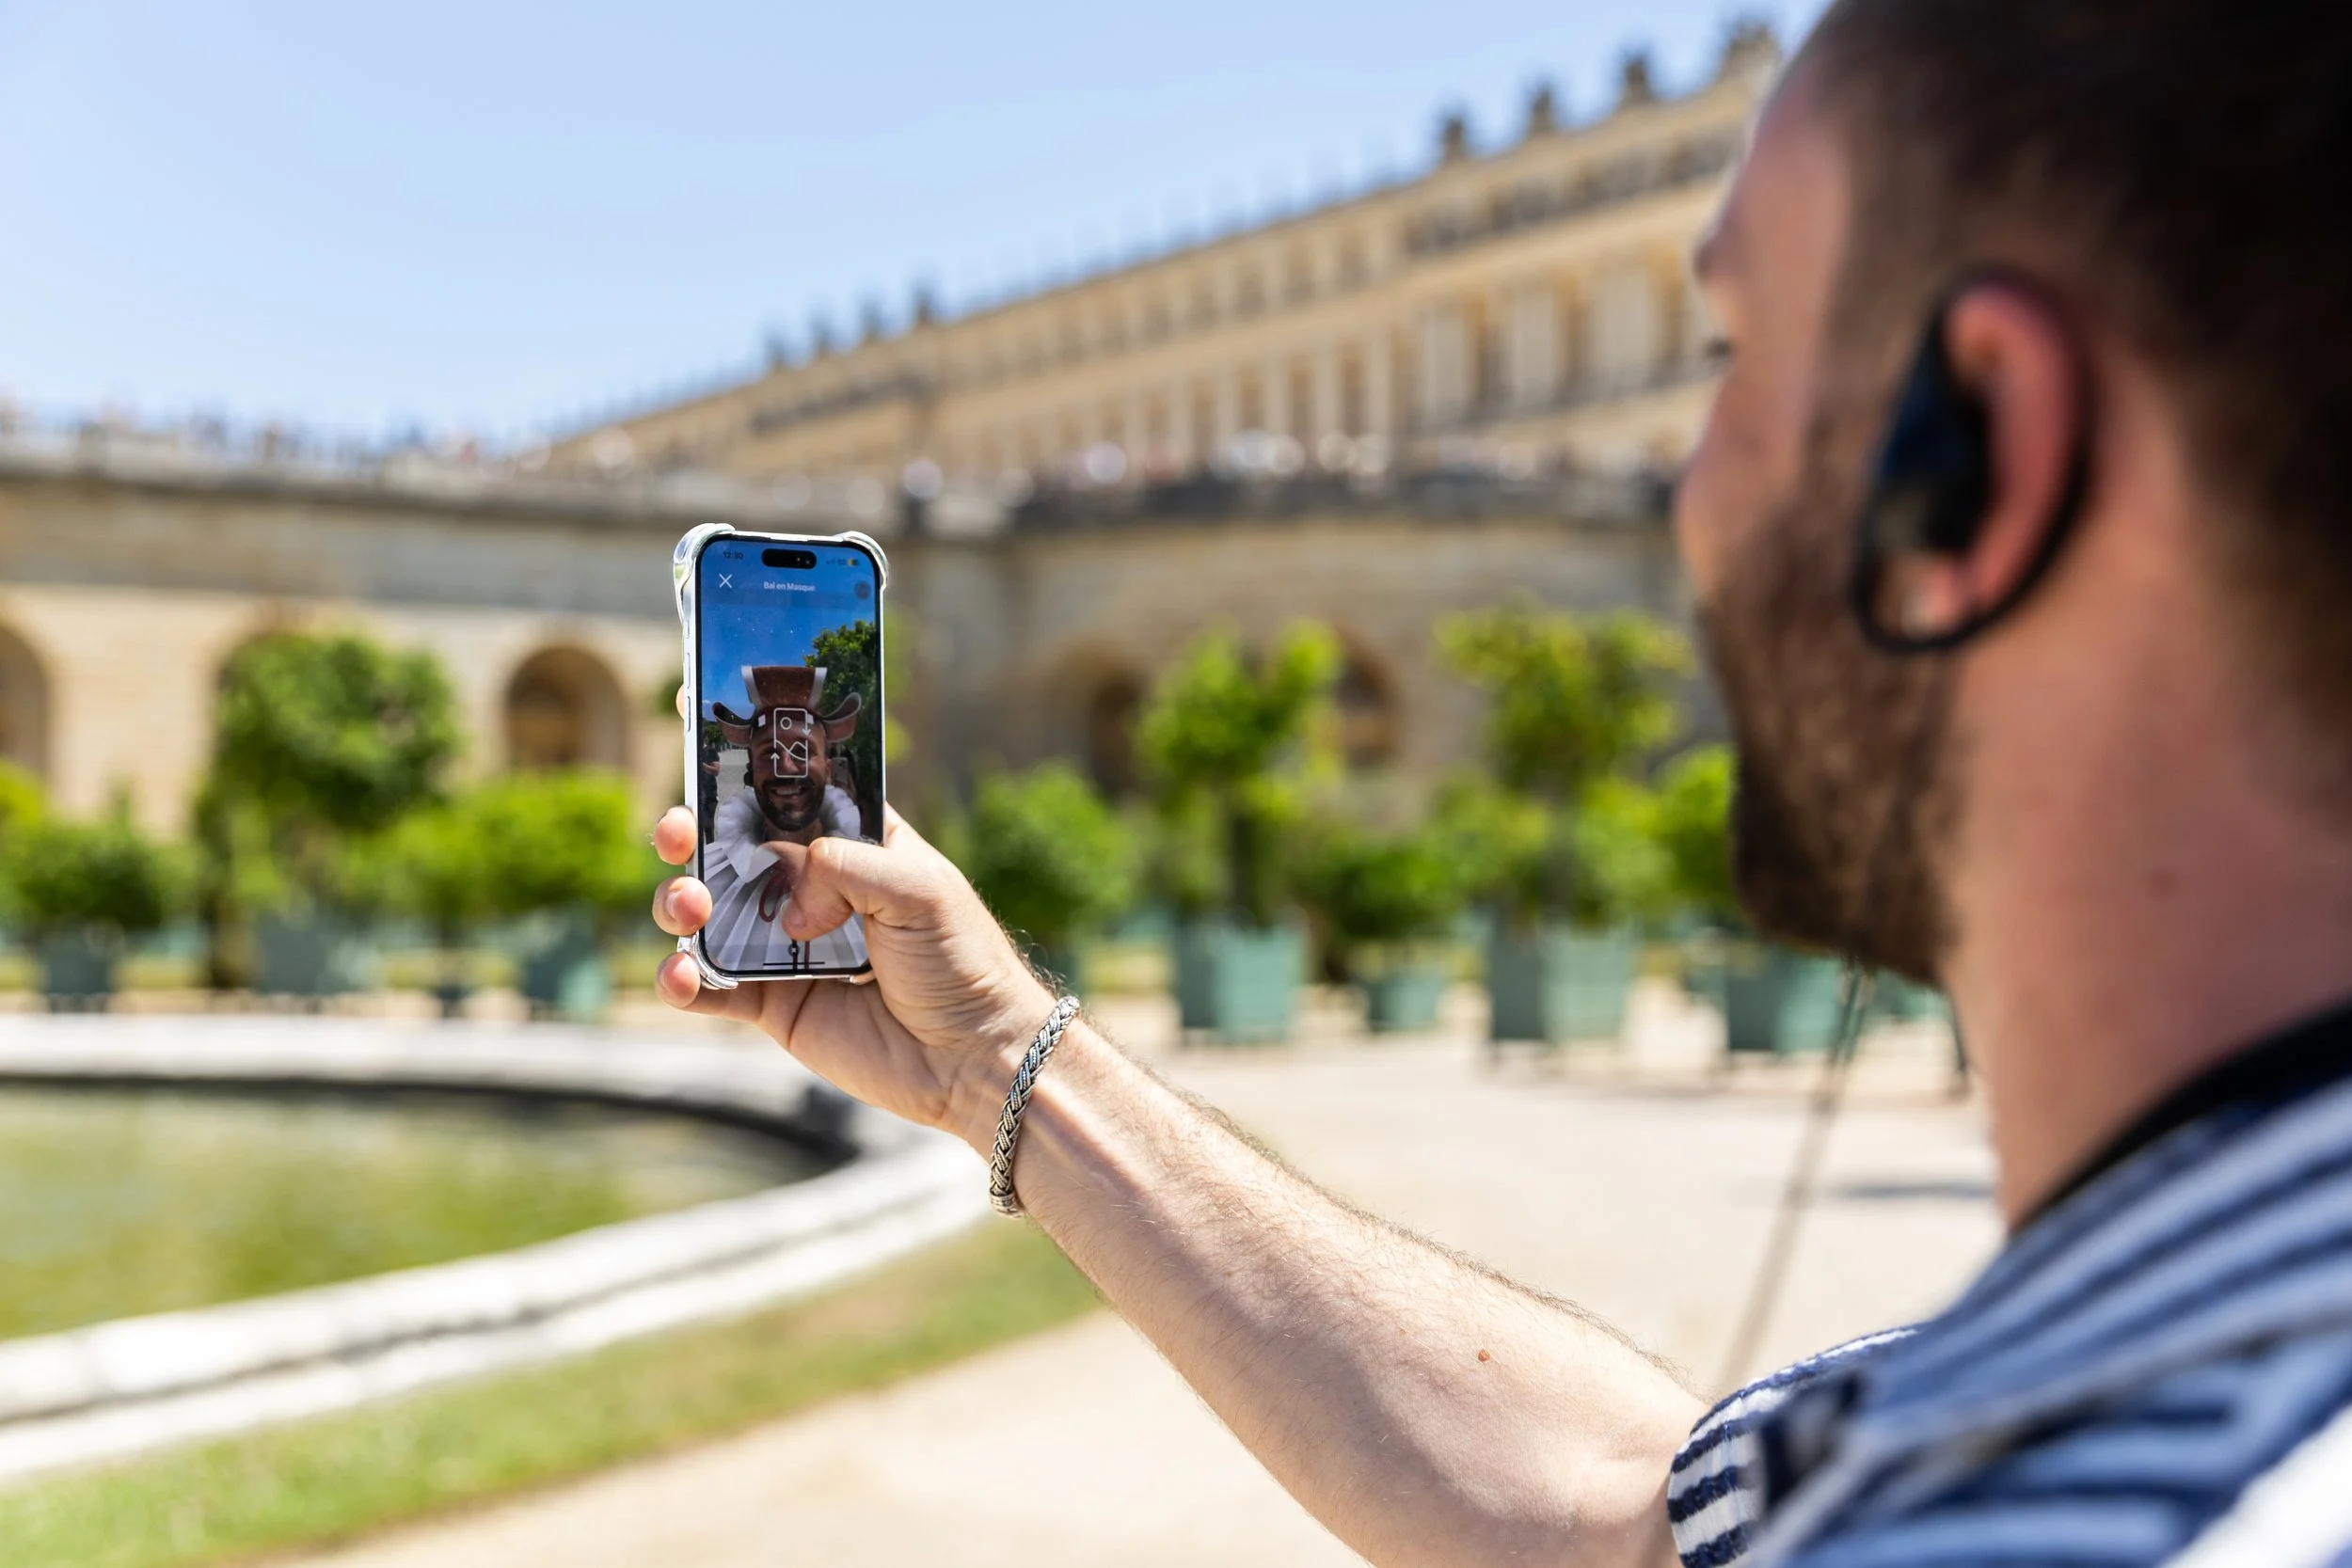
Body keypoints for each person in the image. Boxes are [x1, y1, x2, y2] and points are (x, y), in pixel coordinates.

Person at [647, 3, 2352, 1562]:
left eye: (1734, 360)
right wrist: (1001, 1059)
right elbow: (1626, 1515)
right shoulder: (2150, 1372)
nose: (1683, 490)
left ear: (1975, 456)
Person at [700, 664, 871, 972]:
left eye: (802, 751)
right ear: (752, 772)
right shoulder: (710, 873)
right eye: (770, 754)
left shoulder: (876, 873)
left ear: (829, 770)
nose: (788, 768)